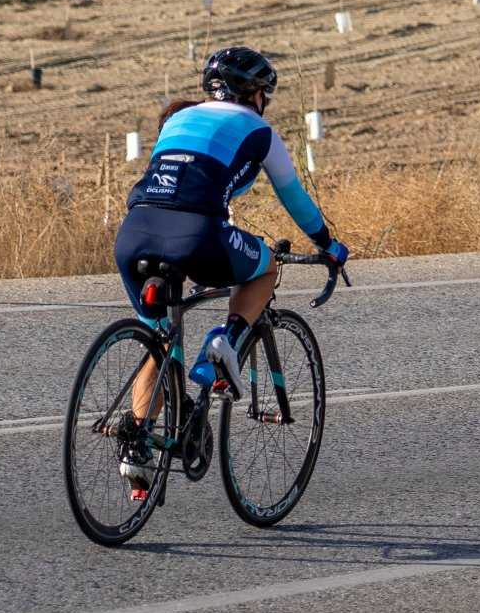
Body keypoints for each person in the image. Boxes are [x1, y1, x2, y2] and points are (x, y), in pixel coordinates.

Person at [108, 44, 347, 495]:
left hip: (134, 232)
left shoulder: (177, 118)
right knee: (264, 267)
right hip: (197, 235)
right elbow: (294, 198)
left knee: (158, 341)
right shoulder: (259, 130)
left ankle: (137, 448)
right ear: (256, 94)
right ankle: (224, 342)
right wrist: (328, 245)